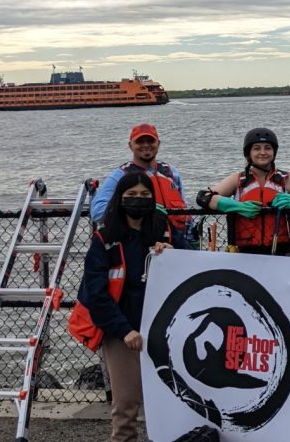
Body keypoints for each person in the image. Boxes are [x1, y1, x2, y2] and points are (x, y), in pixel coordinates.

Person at [77, 172, 185, 442]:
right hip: (121, 332)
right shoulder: (104, 239)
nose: (138, 201)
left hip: (162, 328)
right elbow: (95, 294)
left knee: (170, 401)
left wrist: (172, 253)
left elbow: (191, 267)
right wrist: (124, 331)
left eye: (145, 196)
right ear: (119, 199)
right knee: (126, 406)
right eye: (131, 196)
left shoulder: (165, 228)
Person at [198, 127, 290, 255]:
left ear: (274, 151)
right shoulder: (237, 179)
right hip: (246, 252)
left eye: (268, 148)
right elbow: (203, 197)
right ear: (249, 153)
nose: (263, 152)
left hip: (283, 251)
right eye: (257, 148)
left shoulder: (289, 180)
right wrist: (236, 206)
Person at [90, 123, 191, 244]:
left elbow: (184, 208)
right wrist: (142, 208)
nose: (146, 145)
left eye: (150, 141)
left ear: (158, 143)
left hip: (173, 241)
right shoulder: (119, 175)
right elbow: (97, 212)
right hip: (137, 242)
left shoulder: (172, 172)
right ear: (130, 145)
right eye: (140, 142)